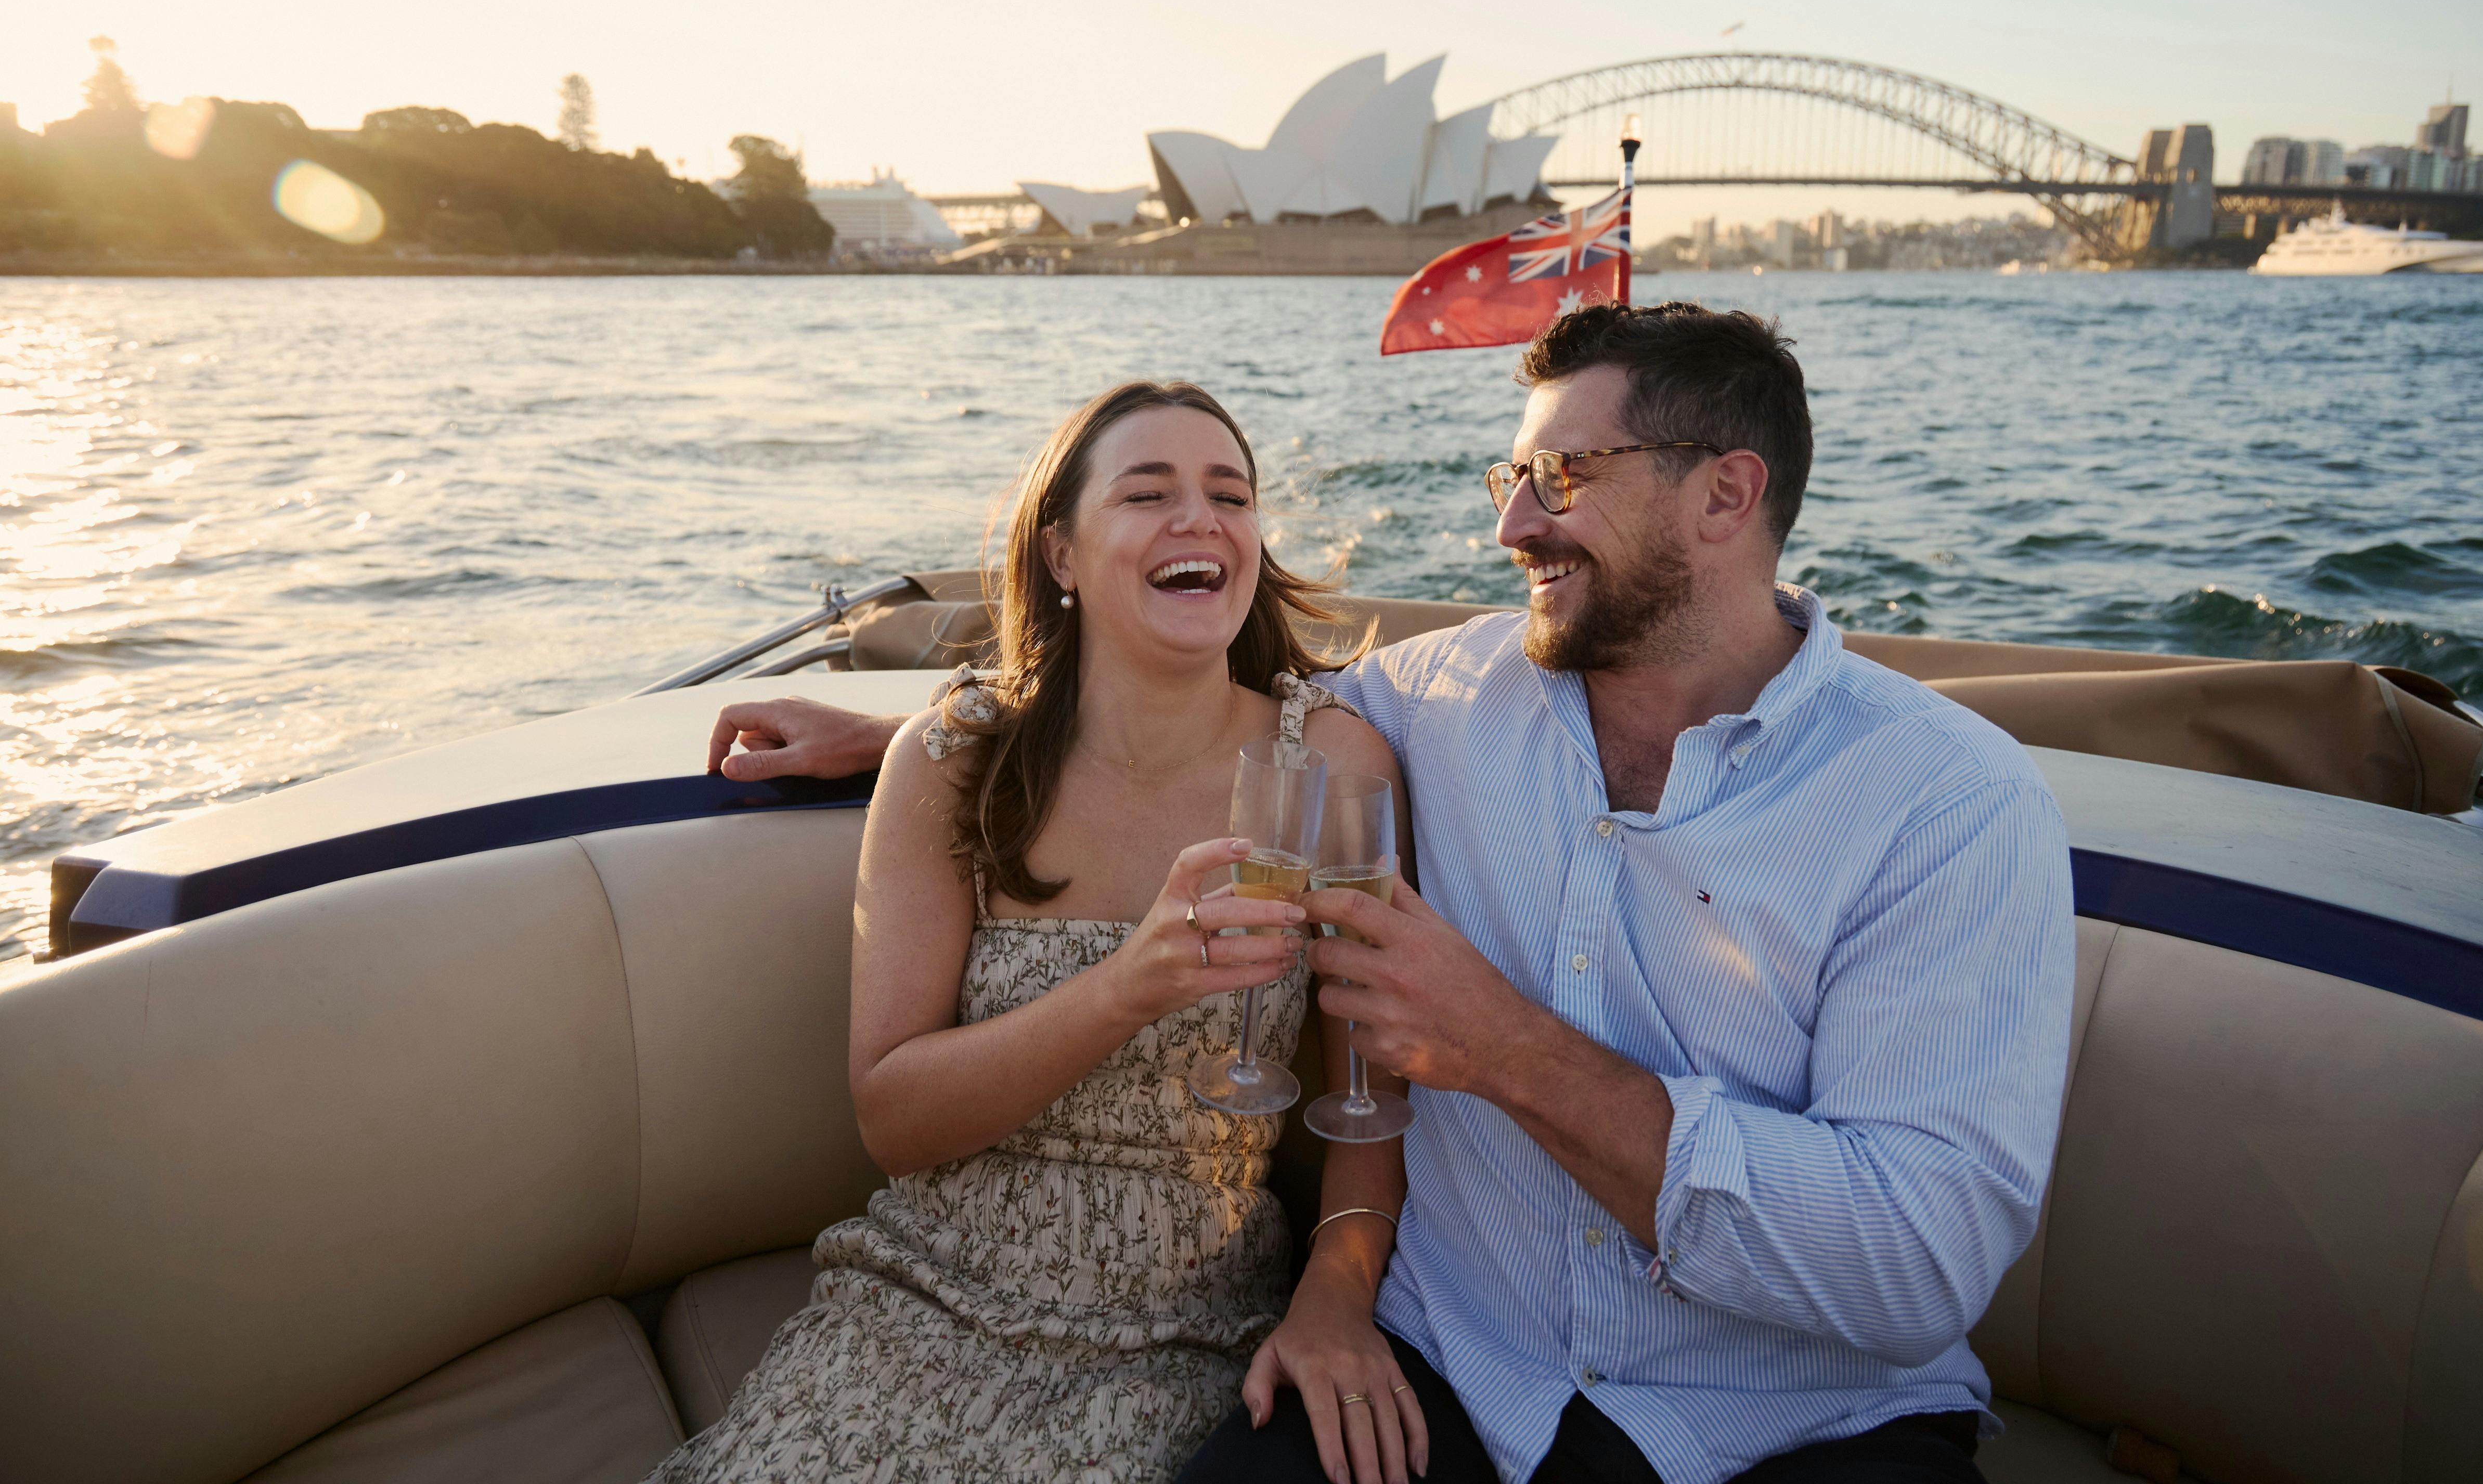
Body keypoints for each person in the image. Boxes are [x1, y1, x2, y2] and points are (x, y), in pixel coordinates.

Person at [706, 303, 2074, 1484]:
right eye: (1512, 471)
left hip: (1798, 1427)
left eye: (1560, 475)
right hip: (1452, 1384)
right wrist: (910, 741)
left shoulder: (1950, 805)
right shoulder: (1442, 698)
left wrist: (1509, 1052)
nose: (1508, 522)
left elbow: (1915, 1268)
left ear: (1725, 496)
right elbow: (1171, 717)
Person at [652, 380, 1415, 1483]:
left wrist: (1338, 1293)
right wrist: (1124, 988)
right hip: (927, 1298)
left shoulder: (1334, 767)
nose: (1199, 519)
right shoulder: (951, 760)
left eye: (1231, 496)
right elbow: (895, 1117)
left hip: (1184, 1321)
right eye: (1148, 493)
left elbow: (1370, 1105)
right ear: (1061, 553)